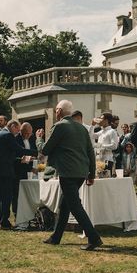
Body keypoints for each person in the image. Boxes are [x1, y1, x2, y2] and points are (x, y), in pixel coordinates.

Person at [36, 100, 103, 251]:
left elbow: (45, 150)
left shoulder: (59, 126)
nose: (55, 112)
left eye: (56, 109)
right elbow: (90, 153)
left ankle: (94, 238)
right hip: (81, 173)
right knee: (65, 205)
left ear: (59, 111)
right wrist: (91, 174)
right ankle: (56, 237)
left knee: (74, 206)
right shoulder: (81, 128)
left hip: (67, 172)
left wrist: (39, 138)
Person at [0, 120, 37, 230]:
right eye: (17, 130)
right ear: (12, 126)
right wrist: (36, 153)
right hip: (2, 171)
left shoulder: (0, 133)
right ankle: (4, 223)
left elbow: (7, 154)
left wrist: (21, 158)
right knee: (6, 197)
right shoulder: (7, 135)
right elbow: (19, 149)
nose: (17, 132)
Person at [12, 122, 37, 220]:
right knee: (16, 194)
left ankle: (28, 213)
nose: (29, 135)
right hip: (17, 171)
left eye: (30, 133)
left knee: (27, 193)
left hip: (29, 170)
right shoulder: (15, 139)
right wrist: (27, 162)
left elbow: (33, 150)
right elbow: (16, 156)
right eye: (27, 133)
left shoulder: (31, 138)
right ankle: (17, 215)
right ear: (21, 131)